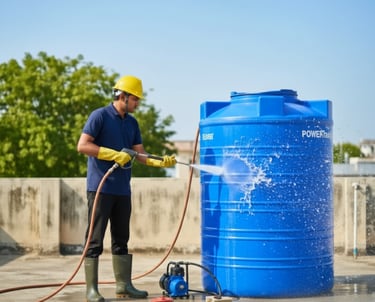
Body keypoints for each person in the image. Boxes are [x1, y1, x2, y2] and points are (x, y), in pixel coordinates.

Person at [77, 75, 176, 302]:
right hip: (100, 188)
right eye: (135, 99)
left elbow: (139, 154)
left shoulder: (131, 123)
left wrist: (161, 161)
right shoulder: (99, 116)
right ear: (122, 96)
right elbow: (82, 145)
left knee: (121, 239)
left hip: (122, 190)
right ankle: (91, 290)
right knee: (94, 240)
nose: (138, 103)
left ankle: (124, 286)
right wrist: (112, 154)